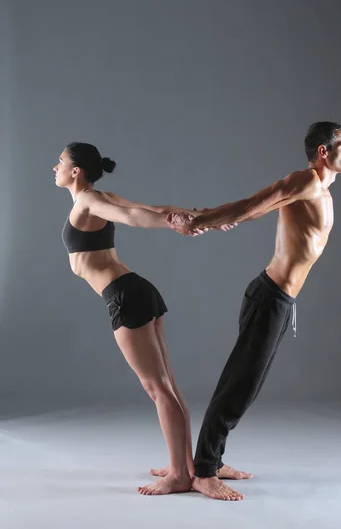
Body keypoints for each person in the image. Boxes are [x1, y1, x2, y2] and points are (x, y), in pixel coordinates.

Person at [168, 121, 341, 500]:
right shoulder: (306, 180)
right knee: (240, 384)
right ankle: (204, 472)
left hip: (281, 301)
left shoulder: (322, 192)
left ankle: (213, 459)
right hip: (269, 297)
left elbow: (258, 211)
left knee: (246, 387)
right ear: (324, 151)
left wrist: (219, 217)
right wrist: (202, 220)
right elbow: (255, 202)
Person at [54, 142, 233, 496]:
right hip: (136, 291)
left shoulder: (90, 200)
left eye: (59, 162)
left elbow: (137, 216)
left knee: (157, 388)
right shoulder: (96, 198)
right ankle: (184, 463)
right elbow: (155, 208)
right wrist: (195, 218)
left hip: (125, 296)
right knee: (166, 385)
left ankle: (180, 476)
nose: (54, 167)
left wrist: (180, 223)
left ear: (76, 171)